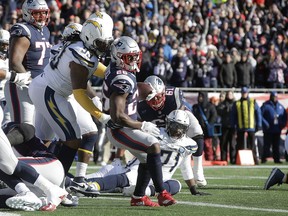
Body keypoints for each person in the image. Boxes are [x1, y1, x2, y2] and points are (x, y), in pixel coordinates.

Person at [28, 12, 113, 196]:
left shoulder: (83, 47)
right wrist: (101, 115)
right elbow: (80, 93)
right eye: (101, 43)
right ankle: (57, 188)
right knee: (72, 139)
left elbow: (93, 66)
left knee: (42, 142)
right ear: (90, 38)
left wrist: (109, 73)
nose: (103, 47)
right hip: (51, 92)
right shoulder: (80, 54)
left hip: (47, 89)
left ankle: (33, 179)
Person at [102, 36, 176, 207]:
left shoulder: (120, 71)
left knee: (147, 158)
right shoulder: (122, 79)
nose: (134, 60)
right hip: (119, 128)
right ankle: (161, 192)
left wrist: (142, 89)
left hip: (125, 126)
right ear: (118, 57)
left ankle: (138, 197)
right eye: (130, 57)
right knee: (153, 145)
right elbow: (118, 116)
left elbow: (129, 93)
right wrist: (142, 125)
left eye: (136, 56)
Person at [85, 110, 209, 196]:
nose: (177, 130)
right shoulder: (156, 132)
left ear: (186, 128)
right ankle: (92, 186)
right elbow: (135, 129)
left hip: (161, 179)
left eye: (180, 127)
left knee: (176, 185)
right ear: (168, 123)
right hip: (139, 170)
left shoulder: (189, 144)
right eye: (174, 126)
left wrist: (193, 189)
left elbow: (185, 166)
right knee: (121, 178)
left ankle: (146, 191)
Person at [138, 75, 207, 187]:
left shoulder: (173, 94)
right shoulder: (141, 105)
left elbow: (180, 114)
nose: (156, 101)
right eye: (153, 97)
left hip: (177, 118)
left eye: (159, 97)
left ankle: (198, 171)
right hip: (157, 128)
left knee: (196, 130)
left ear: (164, 93)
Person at [0, 106, 67, 211]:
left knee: (4, 162)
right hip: (33, 182)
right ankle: (39, 200)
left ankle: (34, 192)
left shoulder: (9, 128)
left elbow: (27, 130)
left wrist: (7, 142)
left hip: (49, 165)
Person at [4, 0, 51, 125]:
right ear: (27, 14)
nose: (42, 17)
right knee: (24, 128)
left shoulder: (45, 30)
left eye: (44, 13)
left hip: (39, 87)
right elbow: (14, 63)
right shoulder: (23, 30)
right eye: (37, 13)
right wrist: (32, 82)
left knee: (39, 131)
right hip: (22, 86)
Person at [231, 87, 262, 164]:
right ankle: (237, 160)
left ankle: (255, 160)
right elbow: (233, 115)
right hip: (240, 127)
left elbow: (258, 114)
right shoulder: (237, 103)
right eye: (243, 93)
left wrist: (259, 124)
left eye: (245, 93)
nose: (244, 94)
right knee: (239, 144)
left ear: (247, 93)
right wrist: (233, 125)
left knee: (252, 145)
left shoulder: (253, 102)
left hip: (251, 127)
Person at [261, 91, 287, 164]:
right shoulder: (265, 105)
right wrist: (265, 124)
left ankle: (277, 159)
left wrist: (282, 125)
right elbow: (260, 115)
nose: (274, 98)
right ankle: (264, 158)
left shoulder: (280, 106)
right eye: (273, 97)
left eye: (275, 97)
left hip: (277, 129)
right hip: (268, 129)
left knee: (276, 145)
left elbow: (284, 117)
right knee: (267, 145)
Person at [192, 92, 218, 161]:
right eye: (199, 96)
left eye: (201, 96)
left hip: (207, 131)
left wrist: (209, 124)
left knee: (208, 145)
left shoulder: (210, 106)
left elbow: (214, 116)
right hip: (198, 130)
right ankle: (199, 160)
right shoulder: (195, 107)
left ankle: (210, 159)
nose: (200, 98)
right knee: (198, 146)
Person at [217, 90, 237, 164]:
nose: (229, 96)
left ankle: (233, 160)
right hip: (224, 126)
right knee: (223, 144)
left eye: (230, 94)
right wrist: (224, 110)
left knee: (232, 144)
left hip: (232, 126)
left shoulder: (235, 104)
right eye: (228, 94)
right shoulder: (223, 104)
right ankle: (223, 159)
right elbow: (218, 111)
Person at [0, 29, 11, 126]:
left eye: (7, 44)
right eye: (2, 44)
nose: (5, 47)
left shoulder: (9, 60)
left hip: (6, 96)